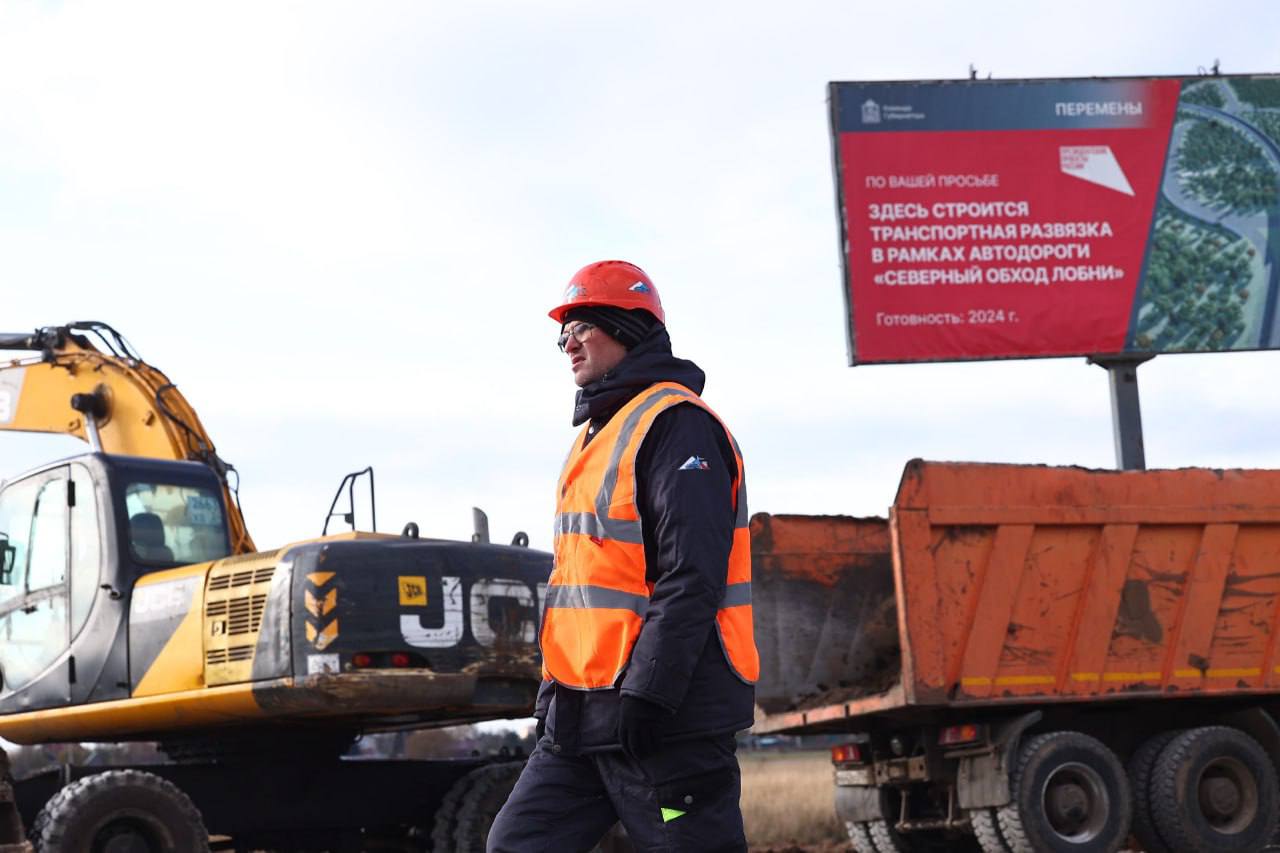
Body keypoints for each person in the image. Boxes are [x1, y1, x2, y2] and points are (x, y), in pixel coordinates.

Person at [488, 260, 758, 852]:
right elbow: (582, 587)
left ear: (626, 326)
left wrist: (650, 694)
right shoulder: (595, 435)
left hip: (664, 722)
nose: (567, 344)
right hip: (582, 720)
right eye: (561, 333)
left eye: (580, 326)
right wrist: (554, 700)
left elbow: (692, 576)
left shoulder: (678, 426)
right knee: (517, 844)